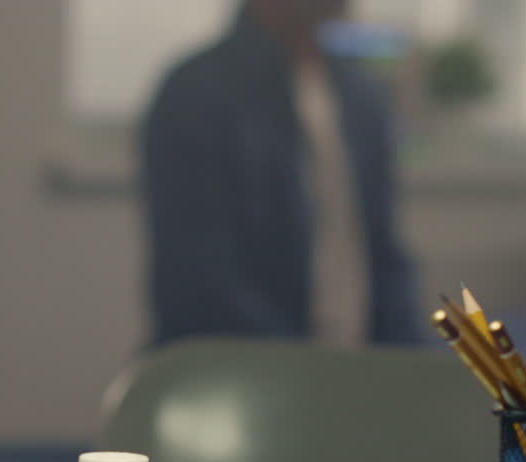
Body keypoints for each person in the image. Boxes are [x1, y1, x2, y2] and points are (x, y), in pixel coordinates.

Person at [139, 0, 420, 348]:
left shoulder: (360, 96)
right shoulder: (197, 94)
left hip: (354, 374)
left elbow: (382, 253)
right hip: (243, 377)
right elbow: (199, 280)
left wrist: (411, 365)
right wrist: (299, 369)